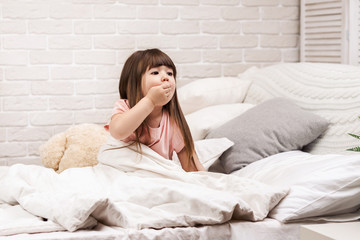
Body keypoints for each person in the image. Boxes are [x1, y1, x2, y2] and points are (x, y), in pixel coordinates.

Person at [105, 49, 205, 172]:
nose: (165, 78)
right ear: (134, 81)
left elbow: (192, 167)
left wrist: (207, 182)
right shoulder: (124, 107)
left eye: (170, 73)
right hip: (124, 173)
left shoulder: (173, 122)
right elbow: (118, 132)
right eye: (155, 72)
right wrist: (150, 101)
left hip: (155, 177)